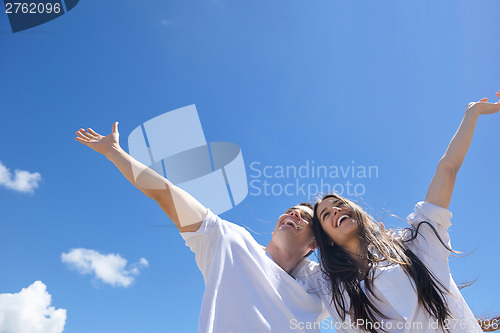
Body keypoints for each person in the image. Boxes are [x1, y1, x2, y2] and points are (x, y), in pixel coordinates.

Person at [75, 123, 329, 333]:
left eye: (305, 218)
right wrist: (113, 151)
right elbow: (165, 192)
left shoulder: (320, 283)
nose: (294, 213)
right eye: (291, 210)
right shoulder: (229, 241)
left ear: (313, 245)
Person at [308, 91, 500, 332]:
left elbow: (447, 168)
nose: (336, 211)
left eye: (339, 204)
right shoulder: (330, 288)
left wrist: (473, 112)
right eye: (326, 215)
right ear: (326, 240)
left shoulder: (417, 244)